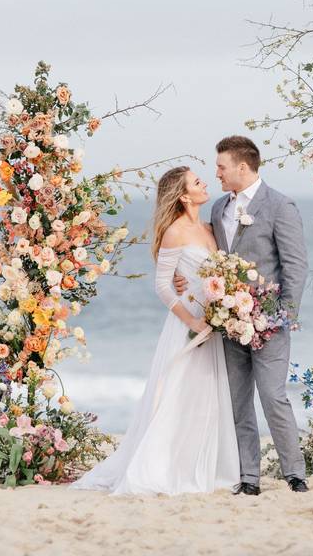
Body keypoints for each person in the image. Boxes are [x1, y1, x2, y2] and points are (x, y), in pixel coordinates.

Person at [70, 166, 239, 495]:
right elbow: (163, 286)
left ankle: (201, 466)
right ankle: (165, 468)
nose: (204, 183)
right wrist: (193, 322)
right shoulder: (175, 232)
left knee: (206, 398)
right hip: (189, 325)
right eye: (196, 181)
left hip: (212, 323)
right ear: (183, 195)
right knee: (179, 393)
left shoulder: (209, 227)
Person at [173, 135, 309, 495]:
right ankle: (249, 477)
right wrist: (183, 279)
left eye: (221, 167)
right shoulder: (218, 209)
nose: (216, 173)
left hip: (269, 321)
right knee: (237, 400)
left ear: (242, 167)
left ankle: (295, 473)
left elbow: (295, 266)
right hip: (229, 323)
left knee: (272, 395)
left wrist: (285, 315)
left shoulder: (281, 206)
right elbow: (208, 258)